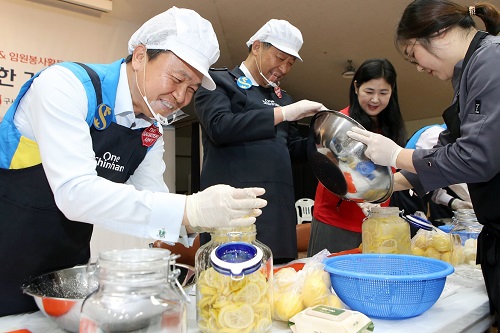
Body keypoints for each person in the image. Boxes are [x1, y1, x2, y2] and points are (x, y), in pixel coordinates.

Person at [0, 7, 268, 316]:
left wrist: (201, 219)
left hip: (62, 272)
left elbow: (152, 200)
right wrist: (189, 207)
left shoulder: (149, 128)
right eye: (177, 78)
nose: (181, 96)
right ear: (140, 56)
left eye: (192, 88)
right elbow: (75, 194)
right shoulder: (66, 86)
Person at [346, 0, 500, 324]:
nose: (417, 68)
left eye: (412, 55)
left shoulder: (491, 60)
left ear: (439, 33)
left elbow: (475, 158)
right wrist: (384, 186)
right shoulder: (469, 74)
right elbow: (447, 150)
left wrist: (395, 155)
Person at [194, 19, 326, 263]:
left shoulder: (283, 98)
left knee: (276, 281)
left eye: (290, 63)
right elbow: (220, 127)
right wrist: (283, 114)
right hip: (234, 210)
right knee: (229, 283)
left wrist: (321, 135)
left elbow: (292, 149)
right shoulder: (218, 82)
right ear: (256, 47)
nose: (284, 69)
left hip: (277, 212)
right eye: (279, 58)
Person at [307, 58, 407, 256]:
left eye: (383, 93)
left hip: (375, 219)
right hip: (335, 219)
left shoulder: (392, 127)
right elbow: (332, 166)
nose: (375, 100)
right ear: (356, 87)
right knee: (324, 278)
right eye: (369, 92)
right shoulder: (340, 124)